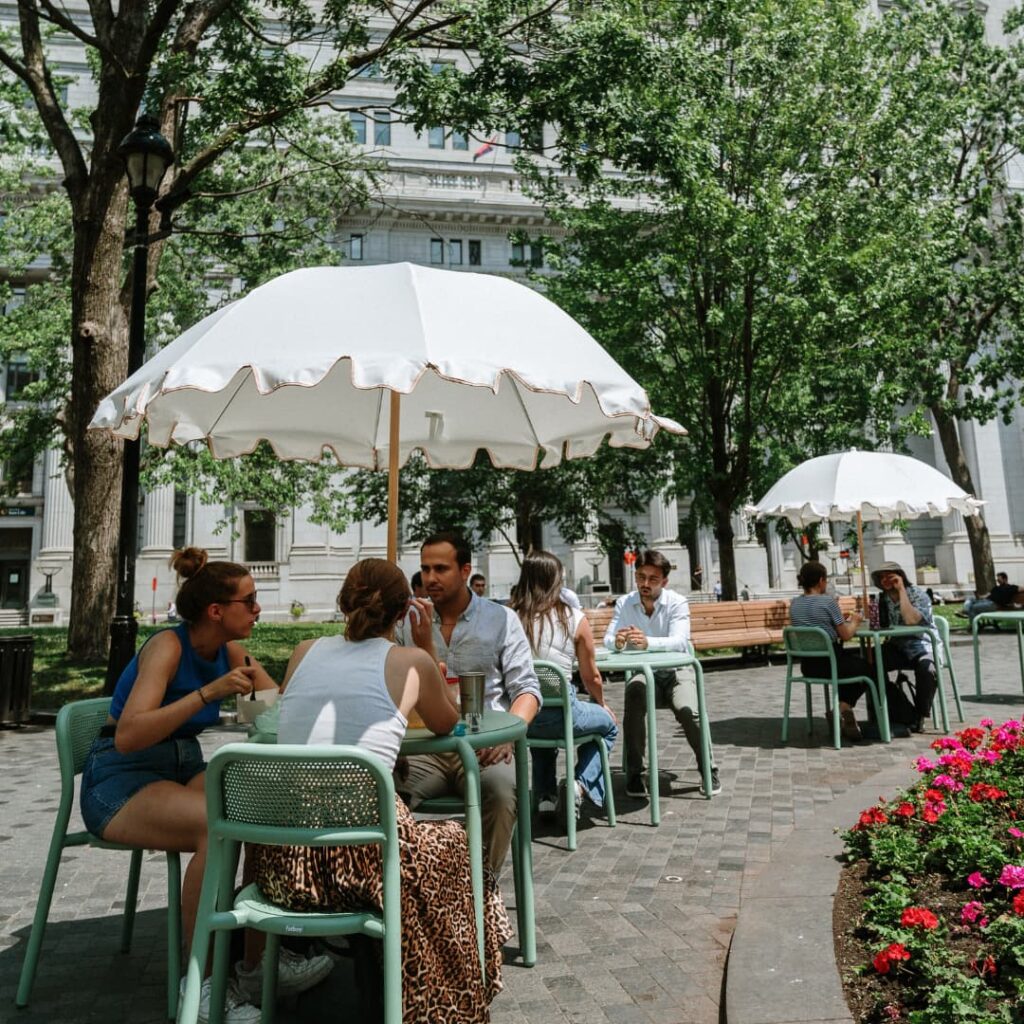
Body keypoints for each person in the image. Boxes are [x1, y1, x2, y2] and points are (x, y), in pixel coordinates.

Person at [78, 548, 331, 1024]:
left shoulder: (229, 652)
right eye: (249, 601)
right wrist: (208, 693)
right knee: (213, 828)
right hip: (121, 778)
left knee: (261, 814)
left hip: (182, 767)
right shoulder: (168, 647)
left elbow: (281, 709)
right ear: (216, 610)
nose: (258, 609)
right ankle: (200, 985)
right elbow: (129, 735)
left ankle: (255, 967)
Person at [253, 559, 511, 1023]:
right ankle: (445, 989)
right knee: (459, 848)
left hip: (285, 867)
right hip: (363, 866)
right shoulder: (410, 662)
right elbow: (447, 722)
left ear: (342, 602)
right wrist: (426, 645)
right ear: (402, 612)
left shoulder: (303, 650)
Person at [395, 532, 542, 874]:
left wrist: (508, 735)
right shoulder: (408, 621)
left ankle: (479, 888)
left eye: (441, 569)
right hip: (425, 748)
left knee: (502, 793)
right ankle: (406, 886)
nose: (430, 578)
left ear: (464, 571)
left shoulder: (500, 618)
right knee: (381, 792)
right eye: (425, 569)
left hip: (484, 747)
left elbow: (526, 689)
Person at [604, 549, 721, 798]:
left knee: (689, 712)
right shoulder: (625, 603)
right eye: (640, 577)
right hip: (644, 672)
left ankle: (708, 769)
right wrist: (618, 641)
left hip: (677, 672)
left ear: (664, 582)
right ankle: (635, 773)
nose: (645, 584)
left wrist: (648, 642)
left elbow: (680, 641)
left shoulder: (677, 602)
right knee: (634, 698)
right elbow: (608, 638)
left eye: (653, 579)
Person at [509, 551, 617, 820]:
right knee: (609, 726)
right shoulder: (574, 618)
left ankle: (545, 797)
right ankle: (579, 785)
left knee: (539, 714)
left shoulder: (509, 618)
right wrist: (601, 704)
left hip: (521, 719)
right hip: (564, 716)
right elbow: (591, 677)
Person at [789, 561, 870, 741]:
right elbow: (846, 635)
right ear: (821, 580)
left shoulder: (794, 604)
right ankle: (842, 708)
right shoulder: (827, 602)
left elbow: (813, 626)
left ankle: (843, 711)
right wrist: (855, 621)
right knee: (868, 668)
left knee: (849, 666)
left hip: (808, 666)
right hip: (831, 664)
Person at [872, 561, 938, 733]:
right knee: (870, 663)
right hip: (897, 646)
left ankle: (921, 714)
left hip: (922, 645)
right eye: (881, 577)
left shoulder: (917, 595)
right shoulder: (882, 599)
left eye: (890, 576)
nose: (885, 580)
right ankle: (905, 712)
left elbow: (910, 620)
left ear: (900, 576)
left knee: (927, 669)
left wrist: (901, 590)